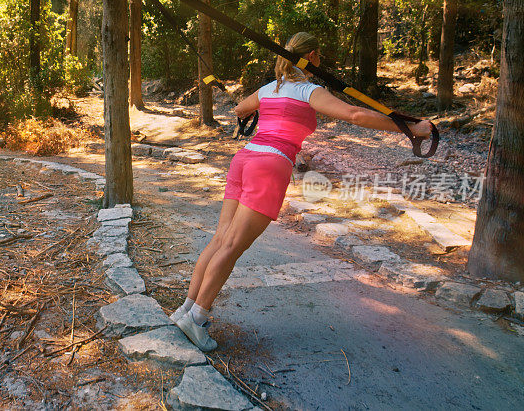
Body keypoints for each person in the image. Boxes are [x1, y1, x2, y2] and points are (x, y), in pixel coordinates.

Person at [172, 32, 433, 351]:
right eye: (319, 55)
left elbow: (241, 108)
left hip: (244, 160)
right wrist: (409, 128)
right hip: (270, 165)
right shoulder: (310, 91)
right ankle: (196, 318)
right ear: (310, 57)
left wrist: (254, 110)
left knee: (220, 239)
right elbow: (354, 114)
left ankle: (186, 310)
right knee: (232, 246)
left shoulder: (270, 88)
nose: (321, 61)